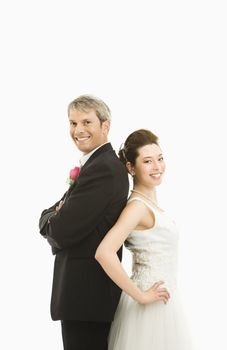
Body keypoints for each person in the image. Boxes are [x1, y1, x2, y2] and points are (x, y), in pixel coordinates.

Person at [39, 95, 129, 350]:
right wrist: (51, 216)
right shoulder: (97, 165)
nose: (78, 130)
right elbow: (48, 214)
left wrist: (52, 219)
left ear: (105, 125)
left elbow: (60, 230)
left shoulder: (104, 168)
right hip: (85, 299)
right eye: (73, 123)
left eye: (86, 122)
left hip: (87, 298)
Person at [95, 129, 192, 349]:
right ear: (131, 167)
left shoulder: (150, 205)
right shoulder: (137, 207)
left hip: (164, 299)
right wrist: (141, 296)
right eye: (148, 161)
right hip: (149, 304)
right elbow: (104, 252)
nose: (157, 167)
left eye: (160, 158)